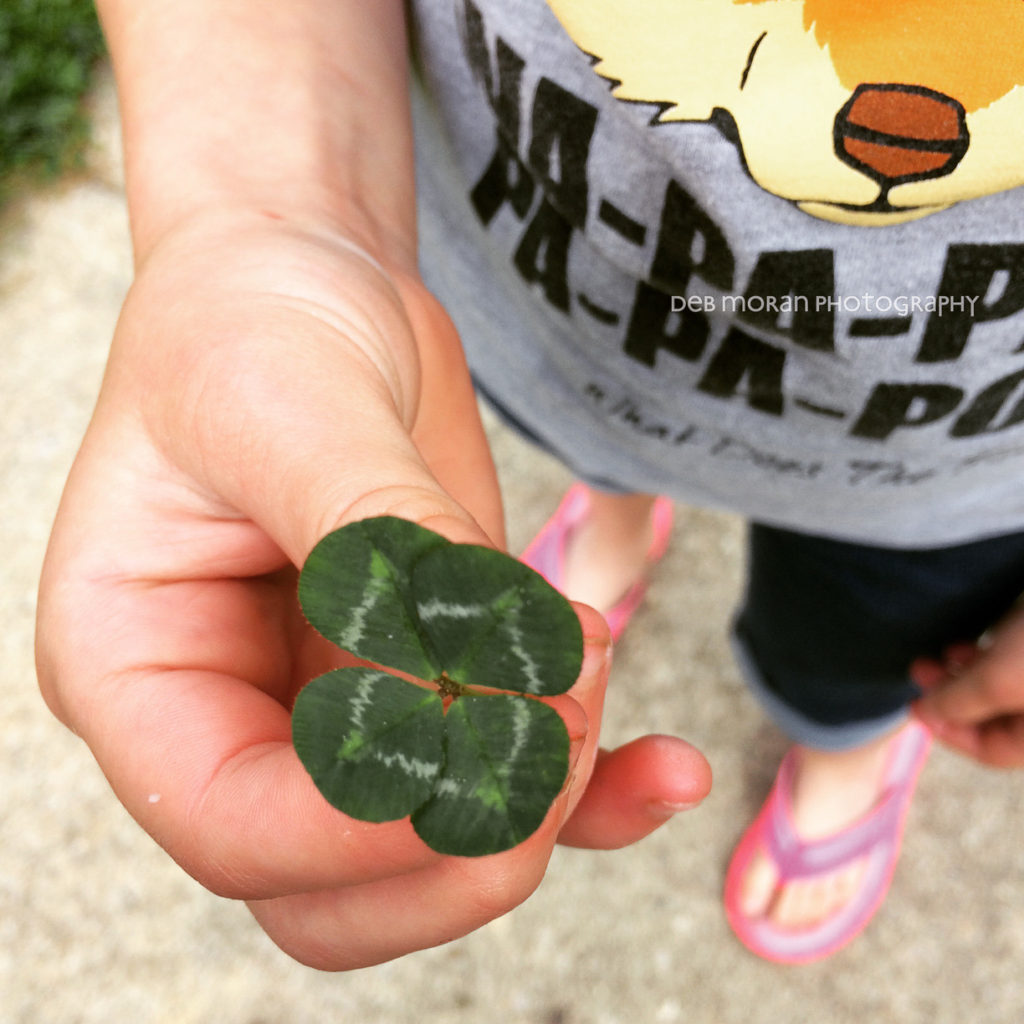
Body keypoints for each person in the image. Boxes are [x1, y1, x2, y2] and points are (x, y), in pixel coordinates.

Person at [34, 0, 1024, 970]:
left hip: (958, 471)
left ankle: (846, 735)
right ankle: (618, 514)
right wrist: (272, 217)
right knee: (590, 443)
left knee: (868, 650)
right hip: (572, 319)